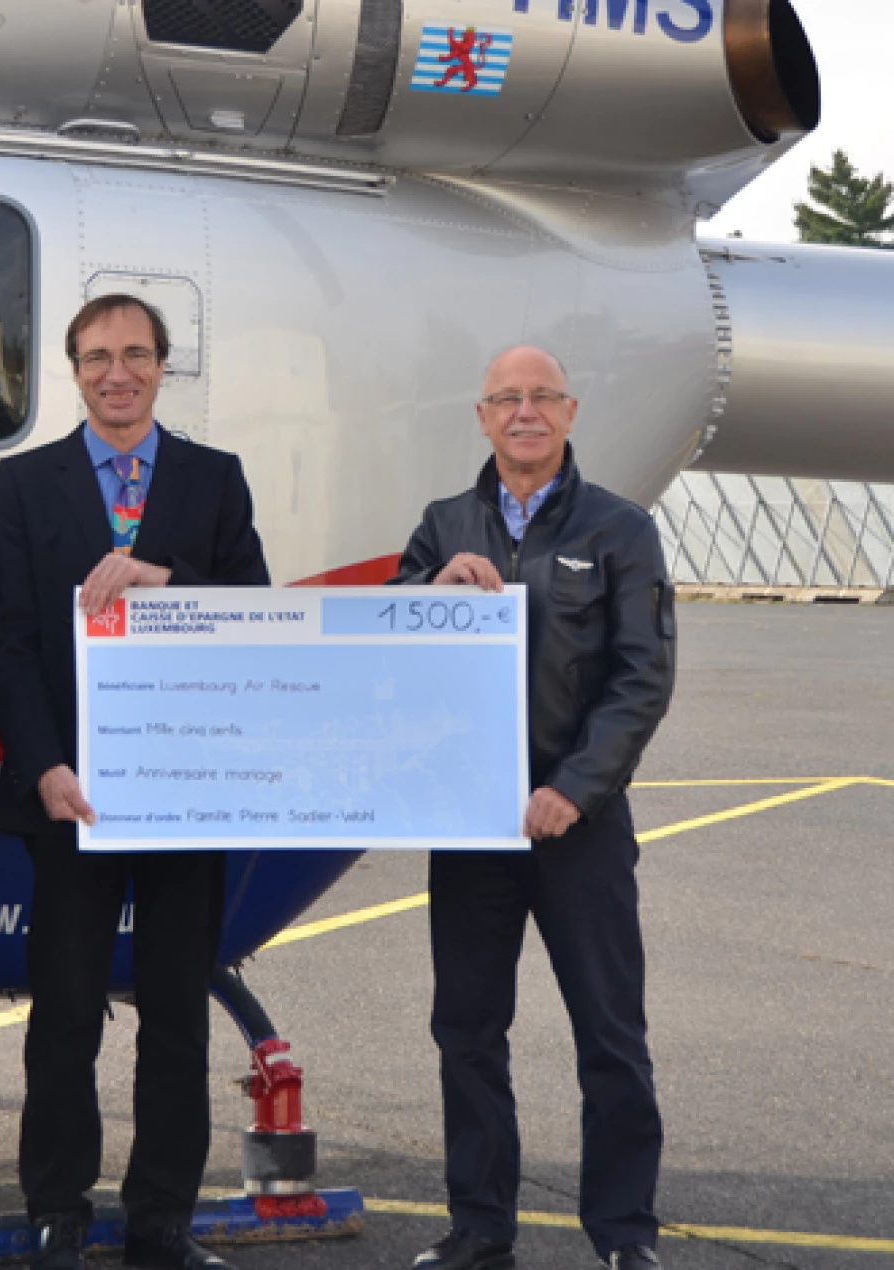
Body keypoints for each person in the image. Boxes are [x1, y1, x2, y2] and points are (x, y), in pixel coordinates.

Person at [0, 296, 269, 1270]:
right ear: (74, 370)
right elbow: (8, 639)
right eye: (98, 356)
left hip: (185, 791)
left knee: (178, 1014)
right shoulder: (28, 481)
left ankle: (162, 1219)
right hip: (72, 794)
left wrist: (166, 581)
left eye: (136, 354)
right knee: (65, 1011)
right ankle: (57, 1206)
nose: (118, 372)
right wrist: (44, 765)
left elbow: (255, 615)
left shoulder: (214, 479)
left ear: (161, 366)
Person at [393, 345, 675, 1270]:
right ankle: (480, 1227)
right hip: (473, 825)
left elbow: (641, 677)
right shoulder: (443, 524)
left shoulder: (620, 528)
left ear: (570, 412)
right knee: (468, 1032)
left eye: (542, 397)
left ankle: (625, 1234)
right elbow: (388, 641)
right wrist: (427, 591)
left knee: (610, 1034)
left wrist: (573, 790)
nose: (525, 412)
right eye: (506, 398)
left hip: (577, 827)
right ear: (482, 417)